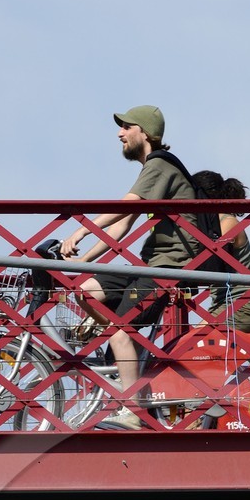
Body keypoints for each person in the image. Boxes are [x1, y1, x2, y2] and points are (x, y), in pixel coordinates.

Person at [60, 106, 200, 427]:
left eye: (127, 127)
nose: (120, 133)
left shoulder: (160, 165)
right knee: (86, 291)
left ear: (146, 133)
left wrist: (80, 230)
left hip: (168, 270)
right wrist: (84, 261)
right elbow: (122, 225)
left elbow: (126, 206)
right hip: (152, 266)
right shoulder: (151, 169)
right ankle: (116, 341)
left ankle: (133, 410)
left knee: (120, 332)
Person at [193, 172, 250, 336]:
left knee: (195, 343)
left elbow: (210, 265)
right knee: (192, 345)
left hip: (245, 305)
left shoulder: (227, 222)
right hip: (225, 304)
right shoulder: (214, 224)